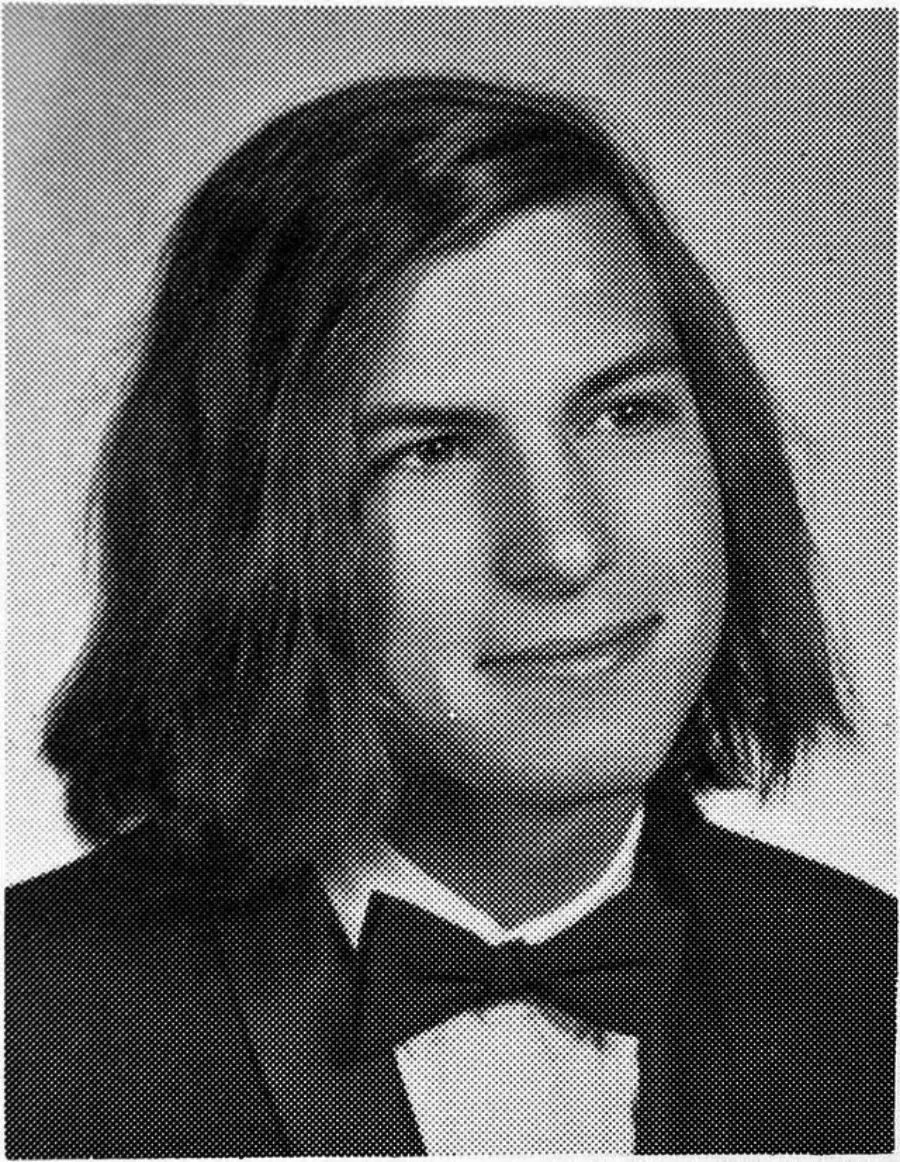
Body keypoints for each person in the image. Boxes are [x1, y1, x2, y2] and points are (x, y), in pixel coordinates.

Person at [5, 74, 895, 1158]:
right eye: (431, 452)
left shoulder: (869, 984)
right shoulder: (31, 1024)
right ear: (251, 531)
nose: (565, 549)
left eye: (625, 414)